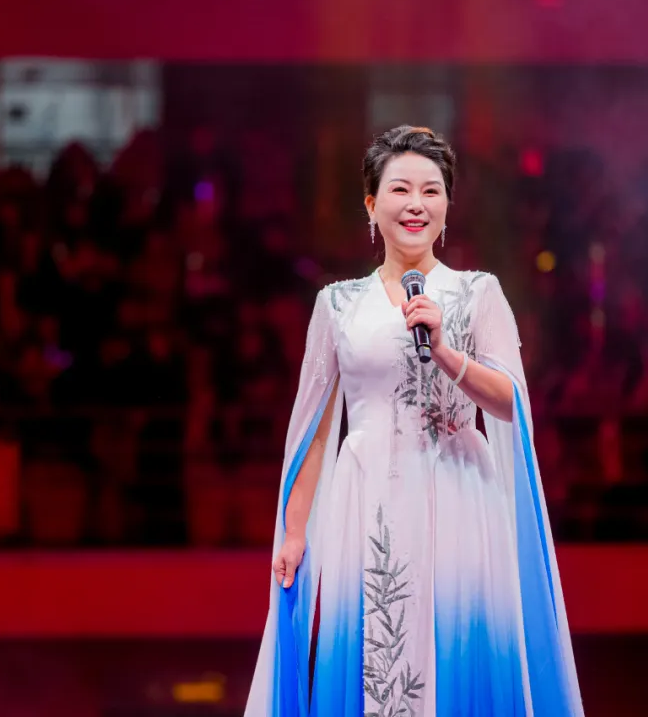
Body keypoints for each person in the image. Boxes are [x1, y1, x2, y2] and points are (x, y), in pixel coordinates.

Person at [244, 126, 583, 716]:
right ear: (371, 204)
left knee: (457, 650)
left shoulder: (478, 293)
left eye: (431, 190)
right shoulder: (337, 304)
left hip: (458, 495)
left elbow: (511, 402)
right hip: (366, 498)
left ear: (447, 206)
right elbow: (315, 432)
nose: (416, 204)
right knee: (369, 658)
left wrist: (448, 354)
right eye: (400, 189)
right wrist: (294, 532)